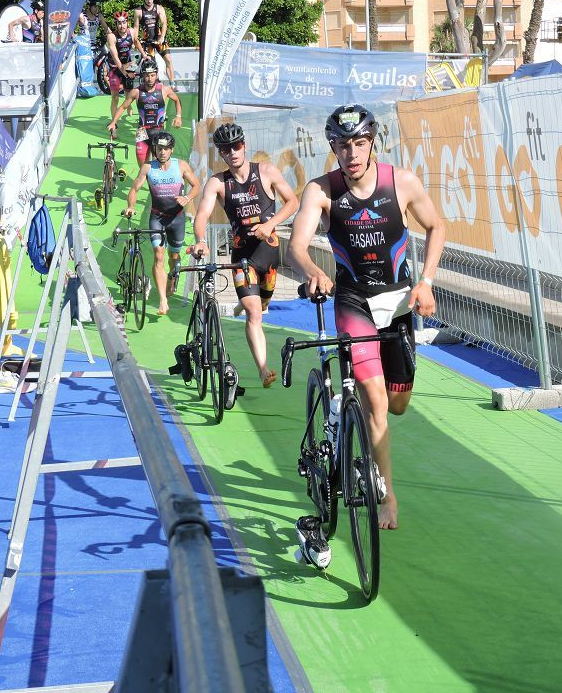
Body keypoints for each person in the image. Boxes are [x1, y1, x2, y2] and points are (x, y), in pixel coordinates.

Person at [287, 104, 446, 530]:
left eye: (359, 143)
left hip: (397, 304)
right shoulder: (321, 191)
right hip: (353, 300)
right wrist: (314, 270)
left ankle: (355, 409)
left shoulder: (402, 183)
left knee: (396, 405)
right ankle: (388, 495)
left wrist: (426, 280)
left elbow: (437, 226)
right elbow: (297, 245)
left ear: (372, 142)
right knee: (375, 398)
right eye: (342, 145)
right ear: (333, 148)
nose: (352, 153)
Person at [190, 123, 298, 388]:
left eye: (236, 146)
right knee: (255, 313)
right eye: (226, 149)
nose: (232, 152)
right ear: (221, 154)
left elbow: (292, 202)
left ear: (244, 145)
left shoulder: (266, 171)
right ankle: (262, 368)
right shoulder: (218, 182)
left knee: (262, 303)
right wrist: (201, 240)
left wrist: (270, 225)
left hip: (268, 253)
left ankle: (246, 303)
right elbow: (202, 215)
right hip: (242, 256)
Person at [124, 131, 200, 315]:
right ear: (155, 150)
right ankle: (163, 301)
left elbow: (197, 185)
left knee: (174, 258)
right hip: (157, 218)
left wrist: (187, 197)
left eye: (166, 149)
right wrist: (130, 206)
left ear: (171, 150)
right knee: (158, 255)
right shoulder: (148, 168)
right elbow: (134, 188)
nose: (162, 152)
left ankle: (172, 280)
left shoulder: (181, 166)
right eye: (159, 149)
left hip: (177, 218)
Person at [106, 60, 183, 168]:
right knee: (143, 168)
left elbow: (177, 100)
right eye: (147, 75)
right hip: (141, 131)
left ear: (156, 75)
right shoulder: (136, 92)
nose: (150, 79)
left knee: (158, 166)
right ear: (142, 75)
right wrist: (113, 122)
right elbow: (123, 107)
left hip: (158, 130)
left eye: (152, 75)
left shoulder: (164, 90)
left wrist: (178, 116)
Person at [105, 10, 145, 121]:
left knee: (129, 95)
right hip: (115, 68)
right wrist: (125, 73)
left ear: (127, 22)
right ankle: (114, 123)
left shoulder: (132, 32)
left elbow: (136, 42)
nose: (122, 25)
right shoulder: (112, 36)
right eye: (119, 23)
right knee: (115, 97)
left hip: (128, 66)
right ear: (116, 24)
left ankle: (129, 105)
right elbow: (116, 59)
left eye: (124, 22)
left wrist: (144, 54)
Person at [133, 0, 175, 83]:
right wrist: (134, 41)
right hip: (147, 42)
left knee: (168, 60)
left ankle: (172, 84)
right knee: (150, 66)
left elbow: (164, 23)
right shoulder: (138, 11)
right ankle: (154, 85)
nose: (149, 0)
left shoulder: (159, 8)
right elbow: (136, 28)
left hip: (159, 39)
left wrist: (162, 37)